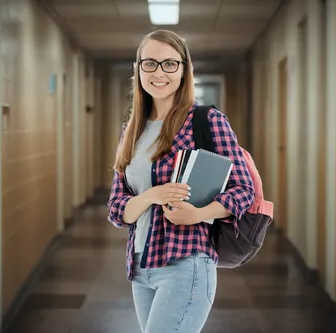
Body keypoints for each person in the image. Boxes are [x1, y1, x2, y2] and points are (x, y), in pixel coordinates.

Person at [106, 30, 255, 333]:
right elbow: (116, 209)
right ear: (138, 69)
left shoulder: (207, 121)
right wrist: (151, 196)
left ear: (184, 70)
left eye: (170, 64)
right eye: (150, 63)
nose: (159, 73)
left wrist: (199, 214)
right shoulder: (131, 131)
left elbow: (244, 191)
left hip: (185, 264)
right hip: (140, 266)